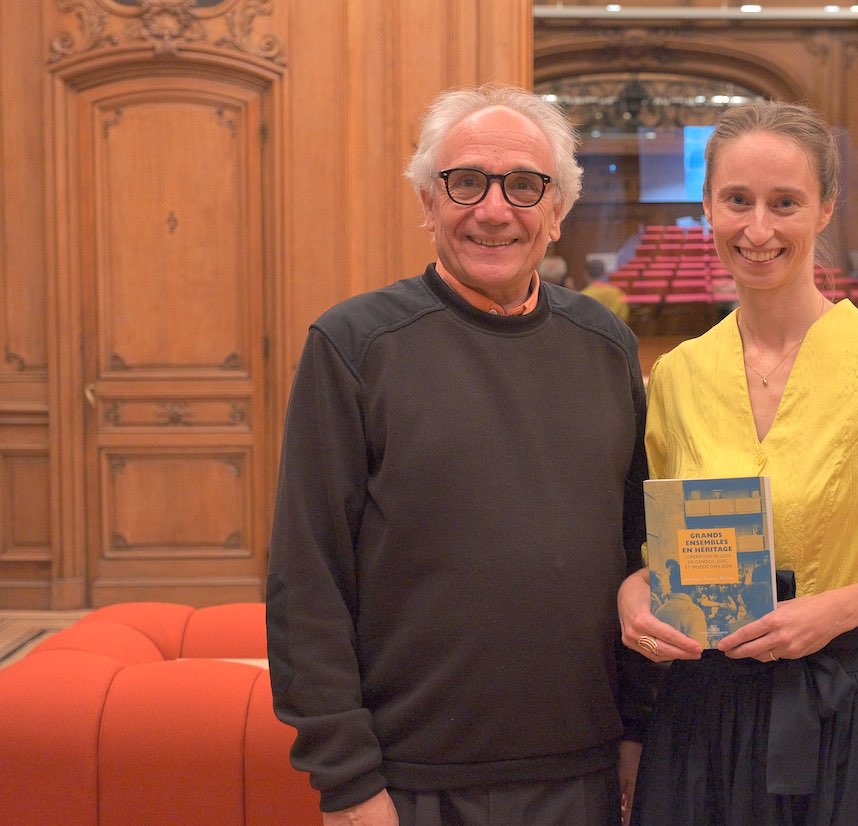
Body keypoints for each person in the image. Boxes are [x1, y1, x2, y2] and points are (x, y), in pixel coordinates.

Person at [266, 82, 655, 826]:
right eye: (466, 182)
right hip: (410, 779)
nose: (494, 210)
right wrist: (346, 780)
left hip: (584, 769)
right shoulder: (354, 345)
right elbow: (306, 576)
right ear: (428, 201)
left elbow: (640, 547)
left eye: (524, 185)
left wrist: (640, 729)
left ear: (557, 209)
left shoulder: (606, 346)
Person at [617, 100, 858, 825]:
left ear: (826, 208)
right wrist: (634, 594)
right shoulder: (677, 375)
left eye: (785, 203)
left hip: (844, 715)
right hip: (700, 721)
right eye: (738, 201)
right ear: (707, 207)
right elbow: (668, 554)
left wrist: (830, 612)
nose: (757, 229)